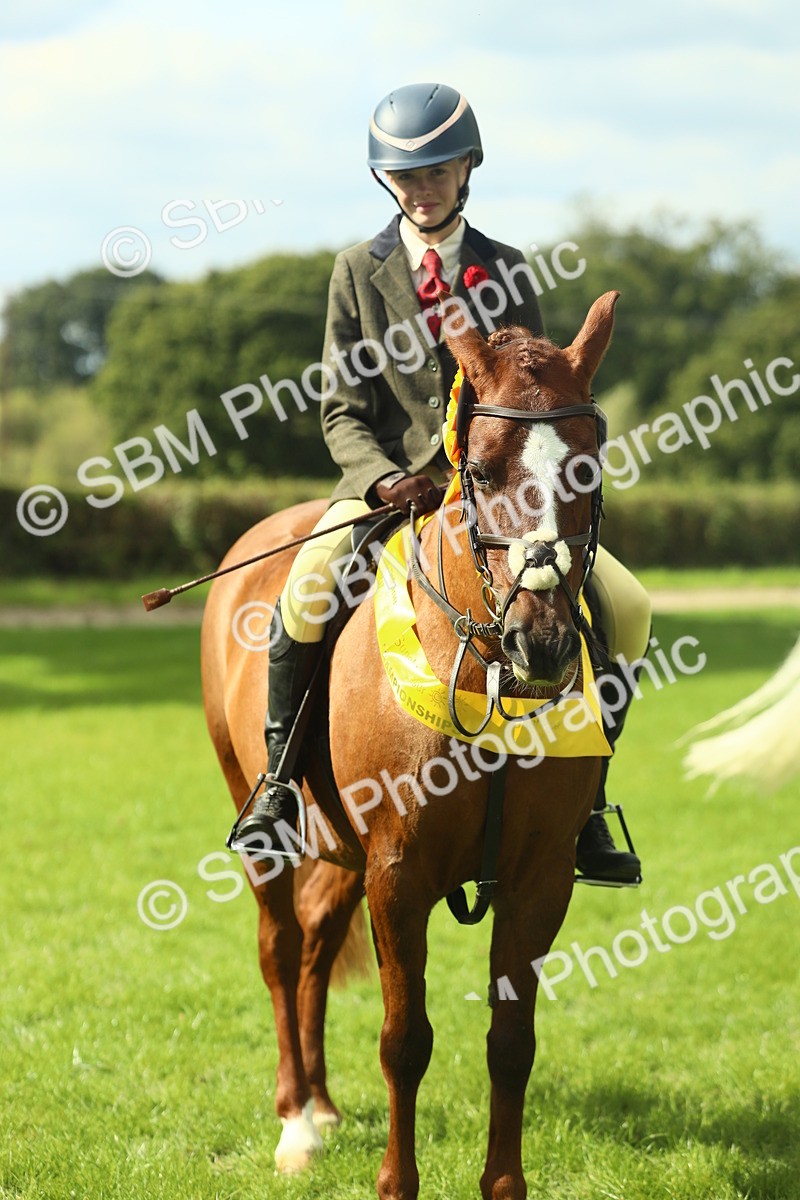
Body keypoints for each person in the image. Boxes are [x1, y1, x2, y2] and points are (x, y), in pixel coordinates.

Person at [232, 82, 650, 882]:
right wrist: (387, 479)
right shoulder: (357, 270)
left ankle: (590, 804)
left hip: (494, 495)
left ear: (467, 171)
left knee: (627, 607)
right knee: (305, 595)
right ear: (387, 182)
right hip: (387, 487)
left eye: (438, 172)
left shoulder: (508, 268)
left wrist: (494, 474)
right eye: (407, 176)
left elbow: (530, 392)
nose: (422, 189)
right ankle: (278, 786)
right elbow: (340, 410)